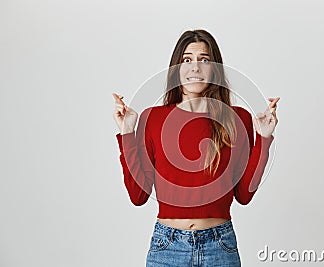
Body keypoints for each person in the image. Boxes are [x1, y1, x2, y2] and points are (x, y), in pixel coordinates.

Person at [112, 29, 280, 267]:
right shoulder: (153, 119)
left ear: (215, 70)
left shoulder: (237, 118)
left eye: (204, 60)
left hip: (219, 247)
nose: (195, 68)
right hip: (167, 248)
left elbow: (243, 195)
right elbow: (138, 196)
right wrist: (127, 133)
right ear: (176, 69)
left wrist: (263, 138)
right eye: (187, 60)